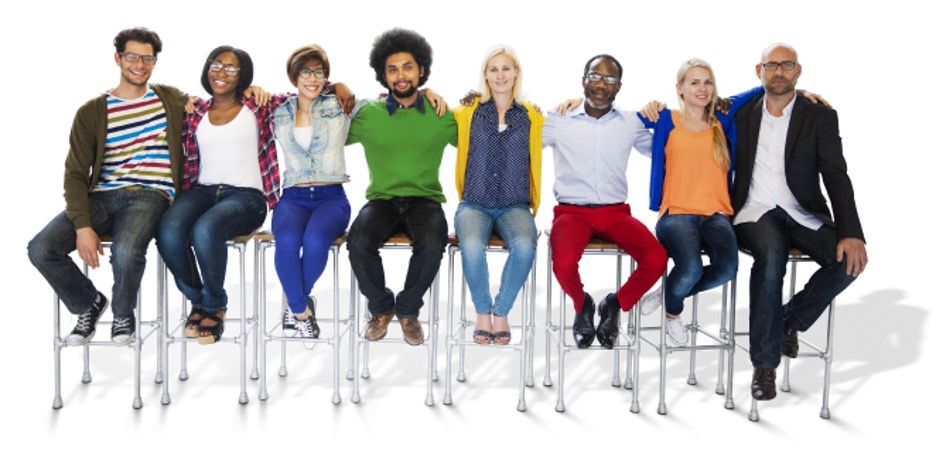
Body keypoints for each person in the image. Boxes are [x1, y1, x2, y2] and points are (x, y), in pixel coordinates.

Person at [28, 27, 187, 346]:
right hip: (101, 197)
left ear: (154, 62)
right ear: (118, 58)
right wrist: (83, 225)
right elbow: (74, 173)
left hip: (150, 194)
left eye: (147, 58)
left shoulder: (170, 99)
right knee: (41, 249)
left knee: (127, 252)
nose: (139, 64)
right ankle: (89, 304)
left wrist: (251, 89)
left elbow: (219, 103)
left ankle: (123, 314)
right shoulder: (91, 112)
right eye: (132, 56)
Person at [731, 43, 867, 401]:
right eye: (771, 65)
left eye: (786, 65)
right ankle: (764, 365)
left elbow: (836, 174)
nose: (779, 72)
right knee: (771, 257)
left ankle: (787, 321)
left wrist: (851, 232)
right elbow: (694, 100)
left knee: (849, 262)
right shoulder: (739, 111)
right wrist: (652, 108)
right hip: (753, 210)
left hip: (802, 211)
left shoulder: (819, 115)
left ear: (798, 70)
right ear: (757, 70)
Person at [544, 54, 668, 349]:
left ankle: (614, 305)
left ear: (619, 87)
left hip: (615, 213)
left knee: (656, 258)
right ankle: (582, 304)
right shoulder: (558, 119)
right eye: (595, 76)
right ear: (583, 80)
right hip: (571, 213)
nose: (602, 83)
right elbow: (519, 137)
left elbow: (665, 149)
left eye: (610, 79)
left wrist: (662, 114)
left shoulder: (630, 123)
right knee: (562, 262)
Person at [635, 59, 761, 345]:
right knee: (689, 268)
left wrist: (803, 94)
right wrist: (647, 107)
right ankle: (673, 313)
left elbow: (763, 89)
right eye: (694, 82)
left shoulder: (723, 118)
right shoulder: (666, 118)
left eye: (707, 82)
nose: (703, 88)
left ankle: (668, 293)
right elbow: (614, 117)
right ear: (679, 88)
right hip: (676, 213)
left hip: (716, 214)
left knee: (727, 268)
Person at [156, 46, 275, 345]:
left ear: (243, 76)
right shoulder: (195, 112)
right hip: (203, 191)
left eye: (232, 69)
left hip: (247, 197)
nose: (222, 73)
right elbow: (157, 99)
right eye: (217, 65)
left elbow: (303, 96)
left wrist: (337, 86)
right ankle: (200, 299)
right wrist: (181, 100)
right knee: (168, 231)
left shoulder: (257, 105)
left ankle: (214, 306)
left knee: (205, 230)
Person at [346, 28, 457, 346]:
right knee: (358, 243)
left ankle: (408, 310)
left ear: (421, 69)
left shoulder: (441, 114)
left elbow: (478, 124)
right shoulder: (369, 114)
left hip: (425, 200)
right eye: (392, 69)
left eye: (407, 66)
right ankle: (381, 308)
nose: (401, 75)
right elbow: (328, 123)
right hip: (382, 199)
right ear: (383, 74)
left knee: (433, 244)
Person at [452, 46, 542, 345]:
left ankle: (501, 312)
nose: (500, 75)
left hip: (514, 206)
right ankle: (481, 313)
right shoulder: (468, 112)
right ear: (485, 75)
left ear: (516, 72)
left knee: (526, 247)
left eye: (506, 68)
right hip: (474, 203)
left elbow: (566, 120)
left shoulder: (532, 117)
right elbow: (432, 112)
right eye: (494, 69)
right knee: (473, 247)